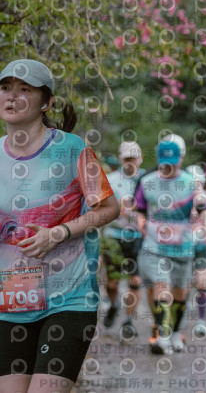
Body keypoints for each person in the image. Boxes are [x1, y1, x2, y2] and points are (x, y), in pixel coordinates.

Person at [0, 59, 119, 393]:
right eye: (6, 88)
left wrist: (58, 233)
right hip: (10, 301)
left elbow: (109, 208)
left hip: (69, 297)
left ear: (47, 102)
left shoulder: (72, 149)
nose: (12, 96)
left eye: (25, 89)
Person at [135, 134, 206, 355]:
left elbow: (204, 210)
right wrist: (141, 224)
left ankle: (176, 332)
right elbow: (139, 209)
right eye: (164, 162)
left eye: (172, 162)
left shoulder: (191, 183)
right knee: (162, 288)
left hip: (183, 248)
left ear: (181, 158)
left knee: (180, 295)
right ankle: (163, 336)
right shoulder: (147, 181)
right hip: (154, 246)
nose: (168, 167)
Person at [101, 141, 146, 339]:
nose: (130, 162)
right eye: (127, 158)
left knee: (135, 280)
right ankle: (113, 305)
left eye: (133, 158)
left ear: (140, 158)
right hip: (114, 235)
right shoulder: (110, 180)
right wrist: (117, 207)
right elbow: (100, 207)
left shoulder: (147, 179)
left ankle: (129, 321)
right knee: (112, 282)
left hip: (137, 237)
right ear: (120, 159)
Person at [185, 164, 206, 339]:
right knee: (182, 283)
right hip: (181, 245)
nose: (196, 185)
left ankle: (201, 320)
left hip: (202, 245)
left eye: (199, 182)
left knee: (202, 283)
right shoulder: (180, 197)